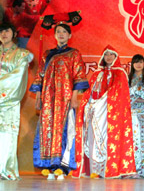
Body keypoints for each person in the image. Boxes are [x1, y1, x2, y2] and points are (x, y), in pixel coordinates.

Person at [29, 23, 88, 180]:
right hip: (48, 98)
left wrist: (75, 97)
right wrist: (38, 98)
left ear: (70, 35)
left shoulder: (74, 54)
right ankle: (49, 165)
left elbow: (79, 76)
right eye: (58, 32)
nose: (61, 34)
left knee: (64, 130)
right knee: (47, 129)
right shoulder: (47, 54)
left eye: (64, 32)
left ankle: (62, 165)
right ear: (54, 35)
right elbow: (40, 76)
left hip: (66, 98)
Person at [73, 45, 136, 179]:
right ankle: (94, 170)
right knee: (93, 139)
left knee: (108, 139)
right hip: (94, 111)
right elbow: (89, 91)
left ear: (116, 57)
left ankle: (108, 169)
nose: (108, 57)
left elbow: (118, 94)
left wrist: (101, 102)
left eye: (111, 54)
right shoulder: (96, 73)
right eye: (106, 54)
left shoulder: (120, 73)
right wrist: (89, 102)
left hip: (108, 113)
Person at [0, 23, 33, 180]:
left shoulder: (21, 54)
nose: (3, 34)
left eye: (7, 31)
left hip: (8, 100)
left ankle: (5, 169)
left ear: (13, 34)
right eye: (0, 31)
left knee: (7, 135)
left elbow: (18, 76)